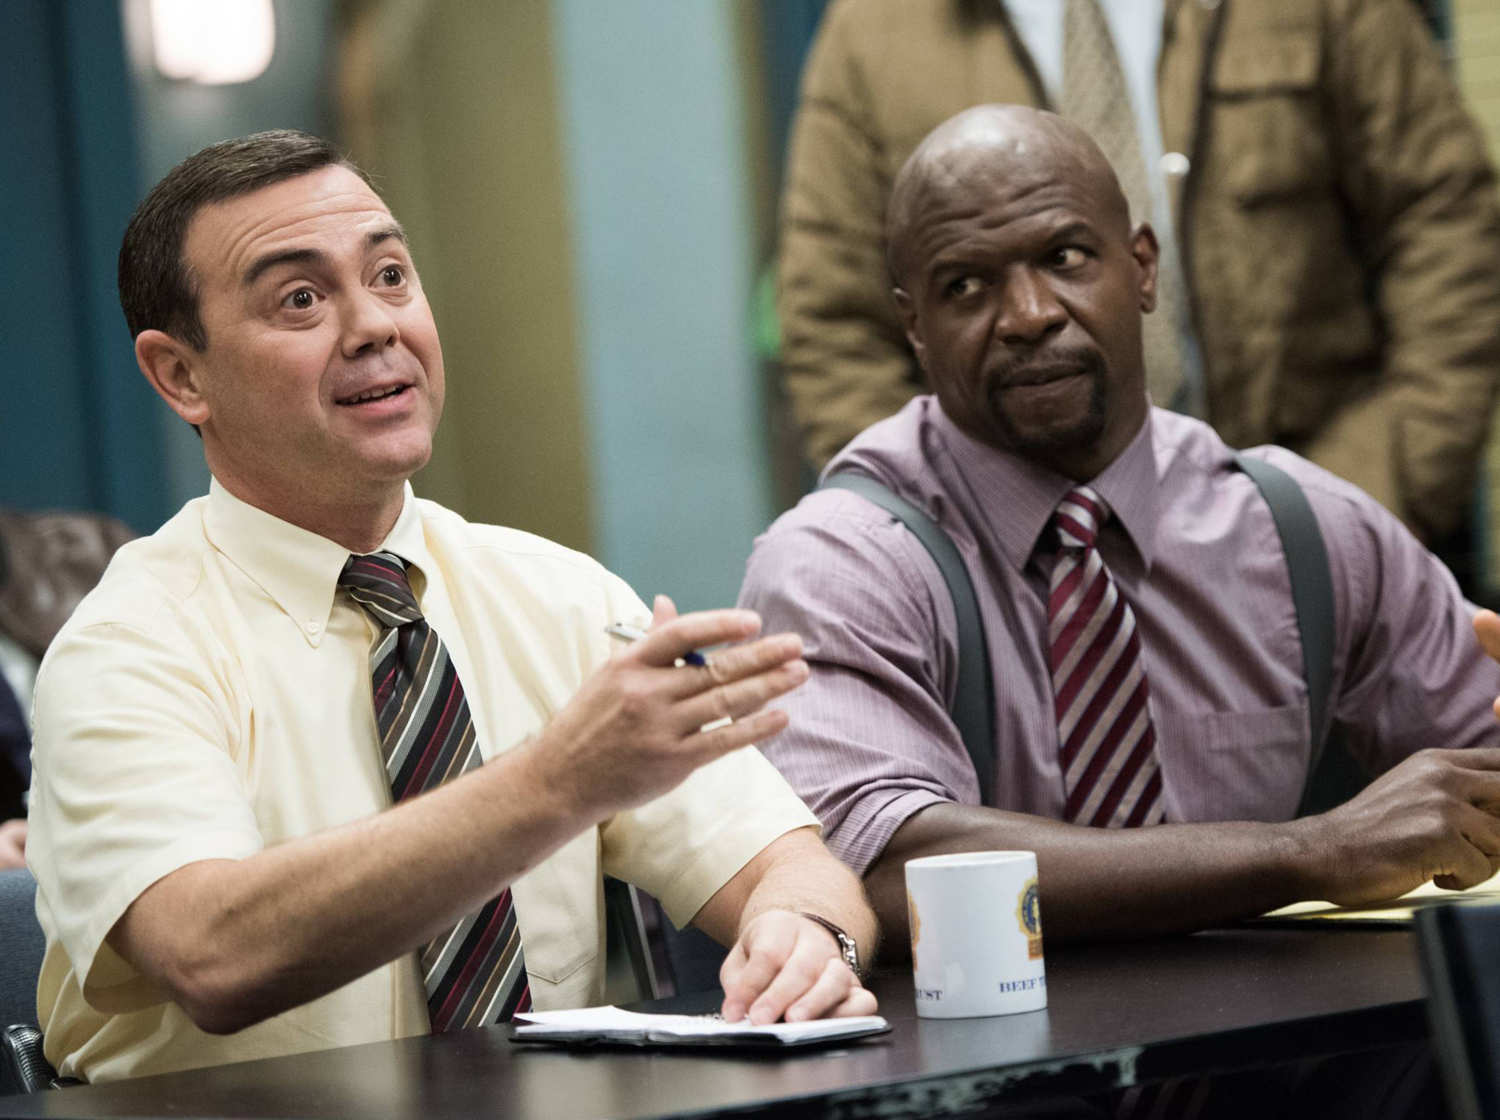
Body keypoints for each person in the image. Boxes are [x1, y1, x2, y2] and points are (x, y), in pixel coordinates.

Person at [26, 131, 876, 1084]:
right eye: (301, 299)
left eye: (390, 276)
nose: (372, 327)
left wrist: (806, 937)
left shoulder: (558, 596)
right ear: (182, 376)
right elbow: (212, 955)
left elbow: (787, 861)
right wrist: (557, 781)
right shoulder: (126, 648)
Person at [742, 104, 1500, 952]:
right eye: (965, 286)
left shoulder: (1303, 532)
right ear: (914, 326)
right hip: (984, 1040)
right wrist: (1310, 854)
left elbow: (1483, 774)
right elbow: (879, 866)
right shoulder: (844, 562)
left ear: (1142, 267)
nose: (1029, 314)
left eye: (1065, 258)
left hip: (1290, 1036)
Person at [776, 0, 1500, 549]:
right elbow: (834, 324)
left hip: (1318, 521)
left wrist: (1359, 500)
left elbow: (1448, 226)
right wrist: (970, 544)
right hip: (1024, 586)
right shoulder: (876, 31)